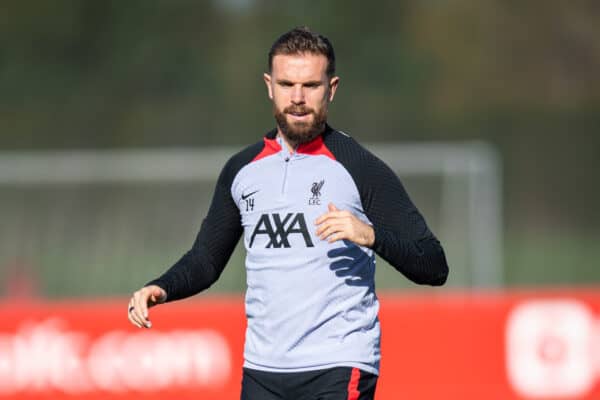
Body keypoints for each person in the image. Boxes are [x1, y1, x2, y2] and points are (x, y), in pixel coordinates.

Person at [127, 26, 449, 400]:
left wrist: (371, 236)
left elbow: (434, 265)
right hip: (263, 371)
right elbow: (206, 260)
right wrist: (161, 287)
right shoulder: (241, 170)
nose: (297, 98)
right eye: (286, 84)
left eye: (311, 86)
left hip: (339, 363)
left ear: (332, 88)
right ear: (269, 85)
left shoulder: (359, 167)